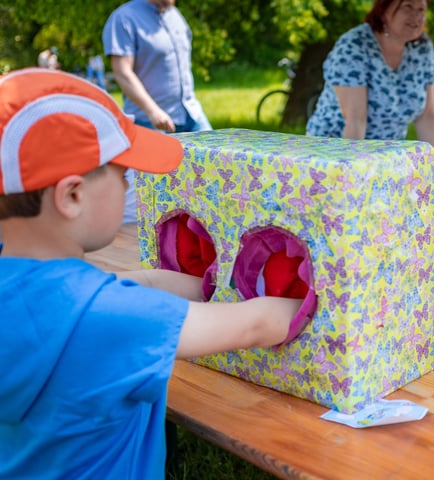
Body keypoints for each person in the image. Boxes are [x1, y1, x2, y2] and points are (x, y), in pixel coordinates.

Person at [0, 69, 308, 478]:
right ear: (72, 196)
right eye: (123, 175)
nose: (129, 188)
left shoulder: (37, 293)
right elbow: (256, 326)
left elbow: (132, 287)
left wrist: (207, 285)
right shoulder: (110, 320)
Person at [306, 0, 434, 179]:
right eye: (408, 7)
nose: (417, 16)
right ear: (383, 10)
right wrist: (352, 174)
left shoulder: (422, 48)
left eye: (421, 10)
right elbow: (355, 120)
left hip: (385, 159)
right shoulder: (354, 45)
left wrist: (433, 167)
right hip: (334, 155)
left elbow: (427, 114)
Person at [103, 0, 213, 223]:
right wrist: (153, 110)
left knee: (215, 175)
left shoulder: (175, 15)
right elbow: (122, 72)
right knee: (159, 197)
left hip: (191, 114)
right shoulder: (124, 19)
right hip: (151, 122)